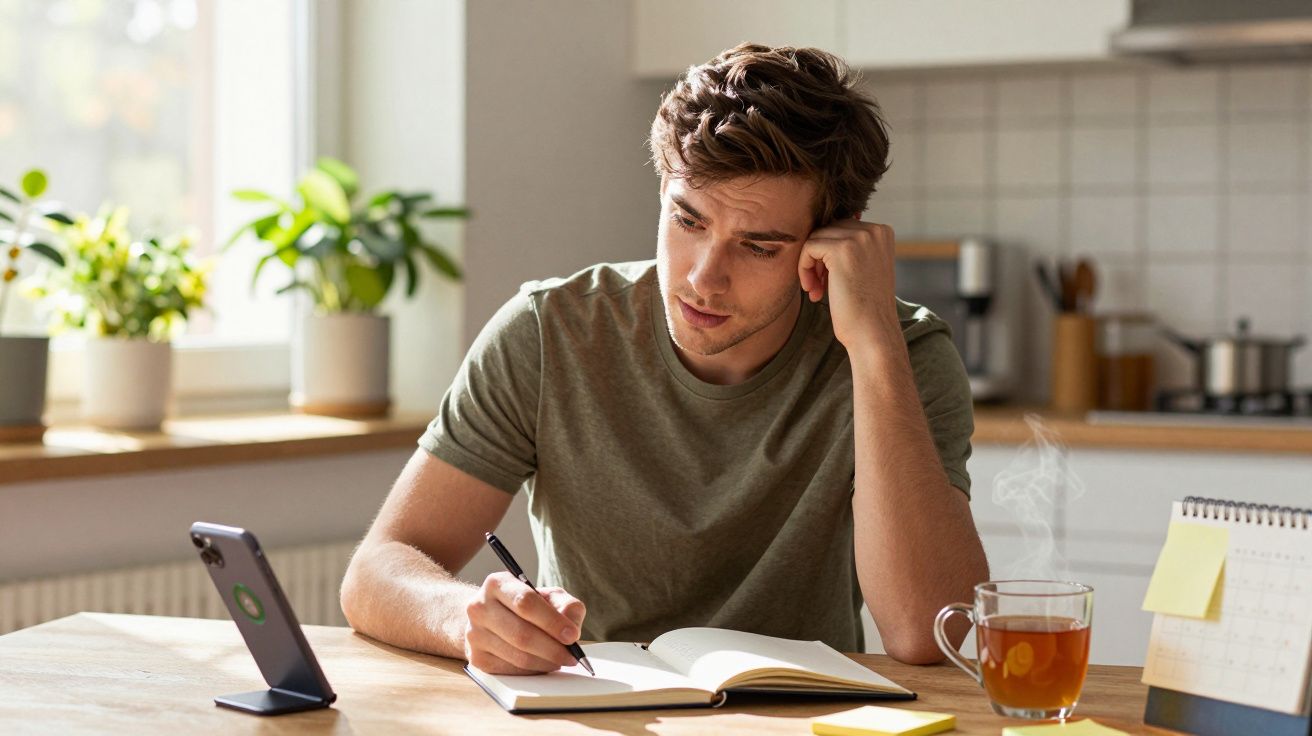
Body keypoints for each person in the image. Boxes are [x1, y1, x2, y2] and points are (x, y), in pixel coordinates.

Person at [340, 42, 988, 675]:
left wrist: (873, 347)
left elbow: (931, 630)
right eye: (687, 220)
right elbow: (379, 567)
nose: (706, 278)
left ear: (827, 244)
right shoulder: (549, 333)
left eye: (758, 247)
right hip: (589, 714)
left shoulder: (901, 353)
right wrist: (467, 620)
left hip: (800, 722)